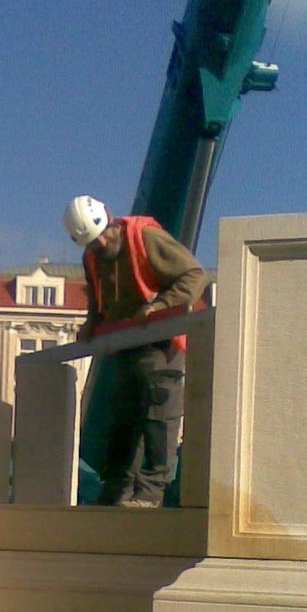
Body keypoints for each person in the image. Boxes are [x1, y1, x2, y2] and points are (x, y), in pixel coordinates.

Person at [63, 195, 210, 508]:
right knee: (124, 418)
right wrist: (93, 322)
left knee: (159, 414)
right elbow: (100, 299)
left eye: (104, 235)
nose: (102, 243)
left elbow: (195, 275)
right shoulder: (92, 257)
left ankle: (151, 491)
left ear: (111, 220)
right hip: (127, 344)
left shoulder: (144, 236)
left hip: (161, 342)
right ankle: (118, 488)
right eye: (94, 242)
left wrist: (159, 306)